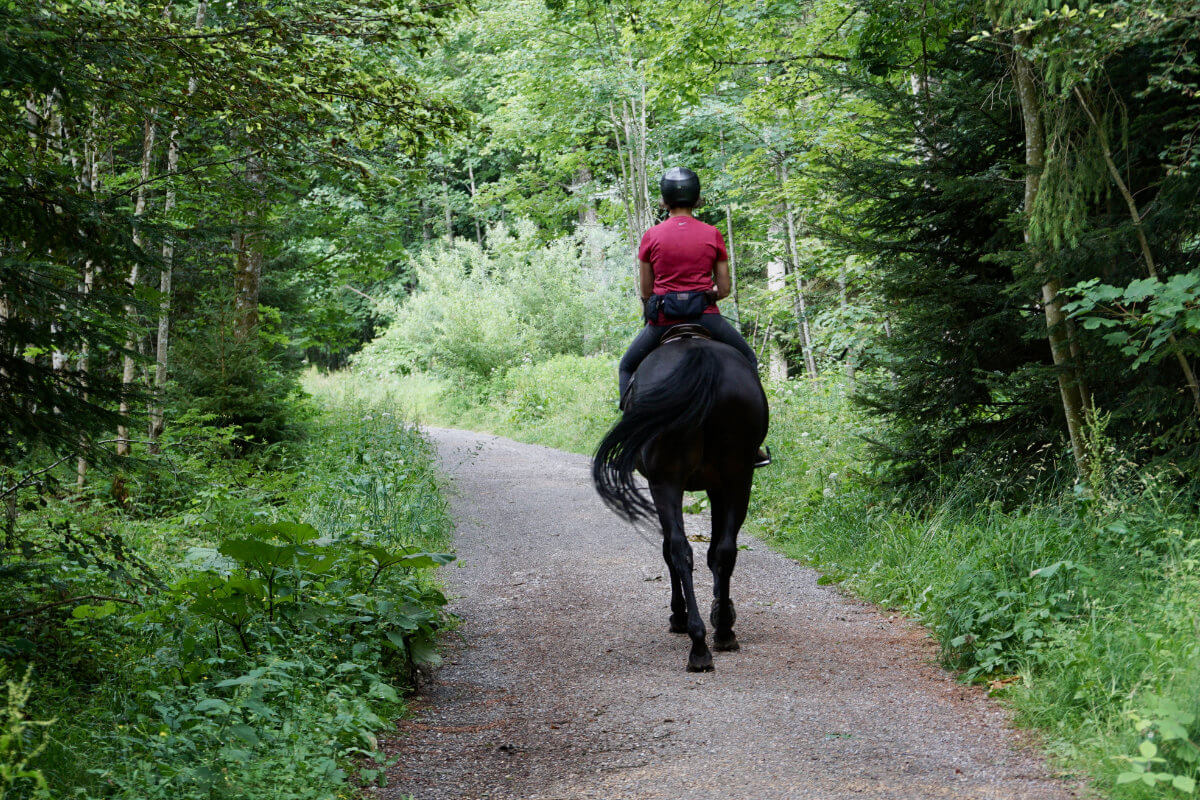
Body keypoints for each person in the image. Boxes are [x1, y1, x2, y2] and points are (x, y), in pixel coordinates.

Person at [619, 167, 770, 467]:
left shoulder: (651, 236)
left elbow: (647, 291)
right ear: (697, 198)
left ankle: (630, 438)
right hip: (706, 317)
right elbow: (724, 288)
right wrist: (706, 295)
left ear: (664, 201)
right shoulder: (712, 233)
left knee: (627, 366)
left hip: (663, 321)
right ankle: (754, 445)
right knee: (748, 360)